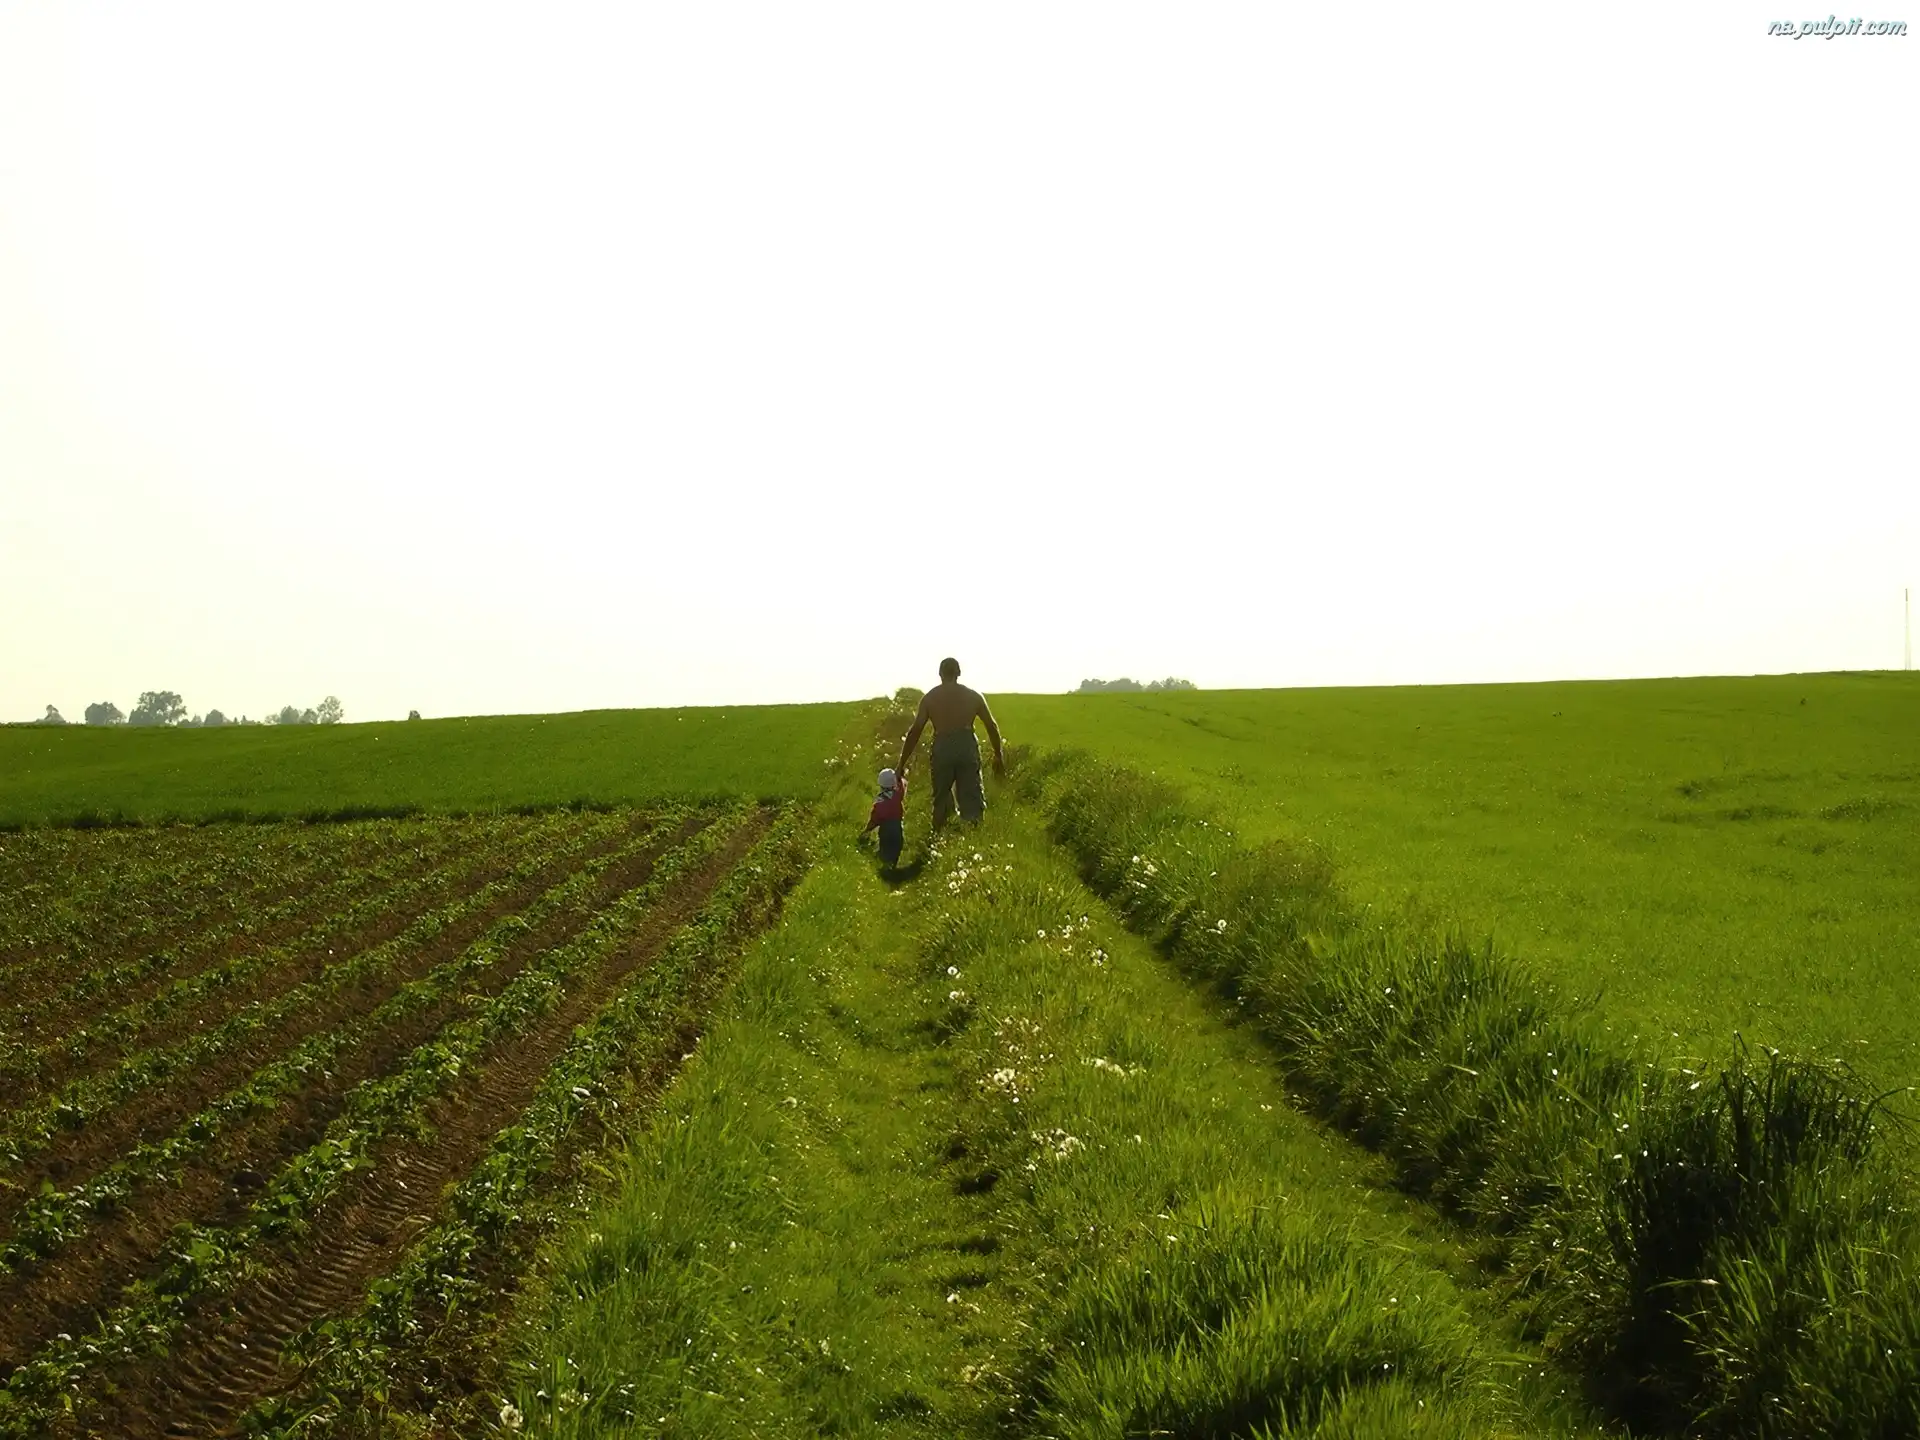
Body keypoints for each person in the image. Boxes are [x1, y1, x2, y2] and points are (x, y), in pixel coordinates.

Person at [898, 657, 1005, 828]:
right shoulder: (973, 696)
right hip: (967, 745)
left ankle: (940, 834)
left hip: (942, 746)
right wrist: (998, 755)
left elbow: (915, 731)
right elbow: (991, 726)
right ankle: (973, 833)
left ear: (940, 674)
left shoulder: (929, 699)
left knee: (941, 797)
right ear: (959, 673)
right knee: (972, 797)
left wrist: (901, 764)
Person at [863, 765, 908, 869]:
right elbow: (902, 785)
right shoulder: (898, 795)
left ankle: (883, 869)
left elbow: (874, 820)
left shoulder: (880, 802)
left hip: (886, 832)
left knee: (884, 852)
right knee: (895, 851)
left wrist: (867, 830)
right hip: (898, 830)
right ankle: (892, 868)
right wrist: (900, 776)